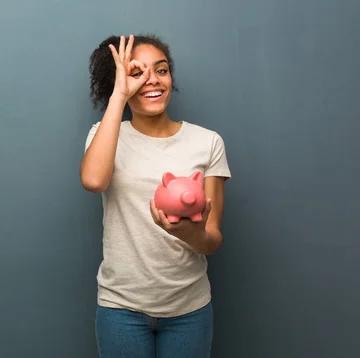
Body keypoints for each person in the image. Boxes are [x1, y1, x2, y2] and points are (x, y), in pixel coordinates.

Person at [80, 34, 232, 358]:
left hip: (188, 310)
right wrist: (119, 96)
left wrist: (193, 234)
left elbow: (214, 239)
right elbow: (93, 180)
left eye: (161, 70)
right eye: (138, 73)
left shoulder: (207, 143)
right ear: (118, 81)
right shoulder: (105, 135)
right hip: (121, 309)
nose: (153, 80)